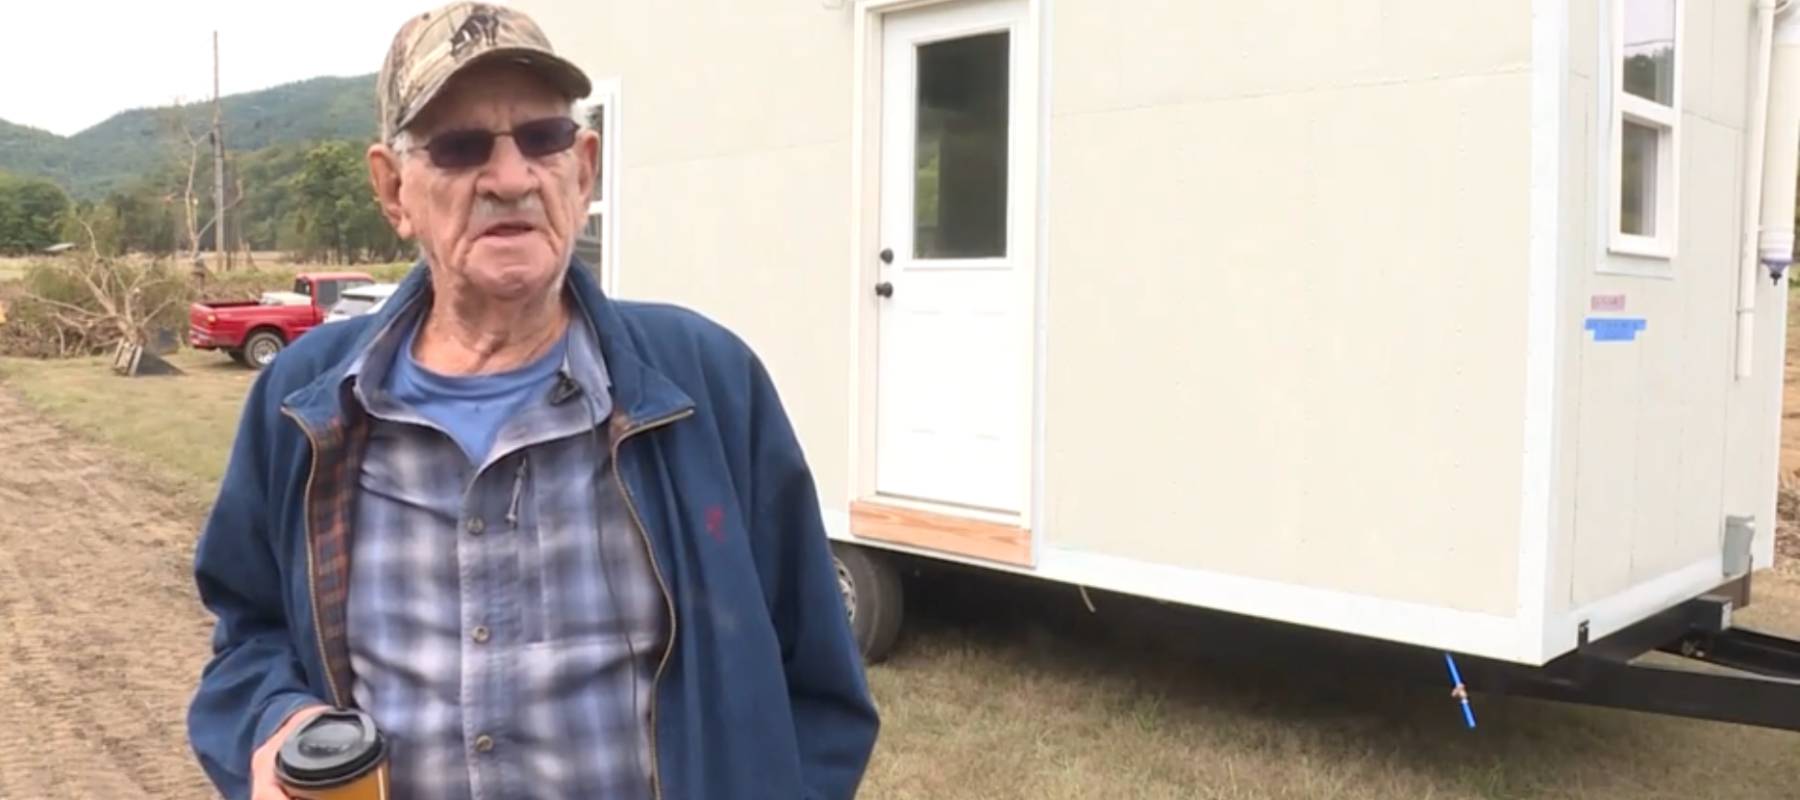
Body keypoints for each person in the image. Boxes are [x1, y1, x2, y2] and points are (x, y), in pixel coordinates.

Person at [184, 3, 880, 798]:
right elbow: (248, 637)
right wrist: (278, 724)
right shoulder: (304, 404)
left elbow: (820, 687)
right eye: (459, 146)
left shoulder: (707, 384)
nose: (511, 178)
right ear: (393, 189)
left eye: (542, 139)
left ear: (582, 168)